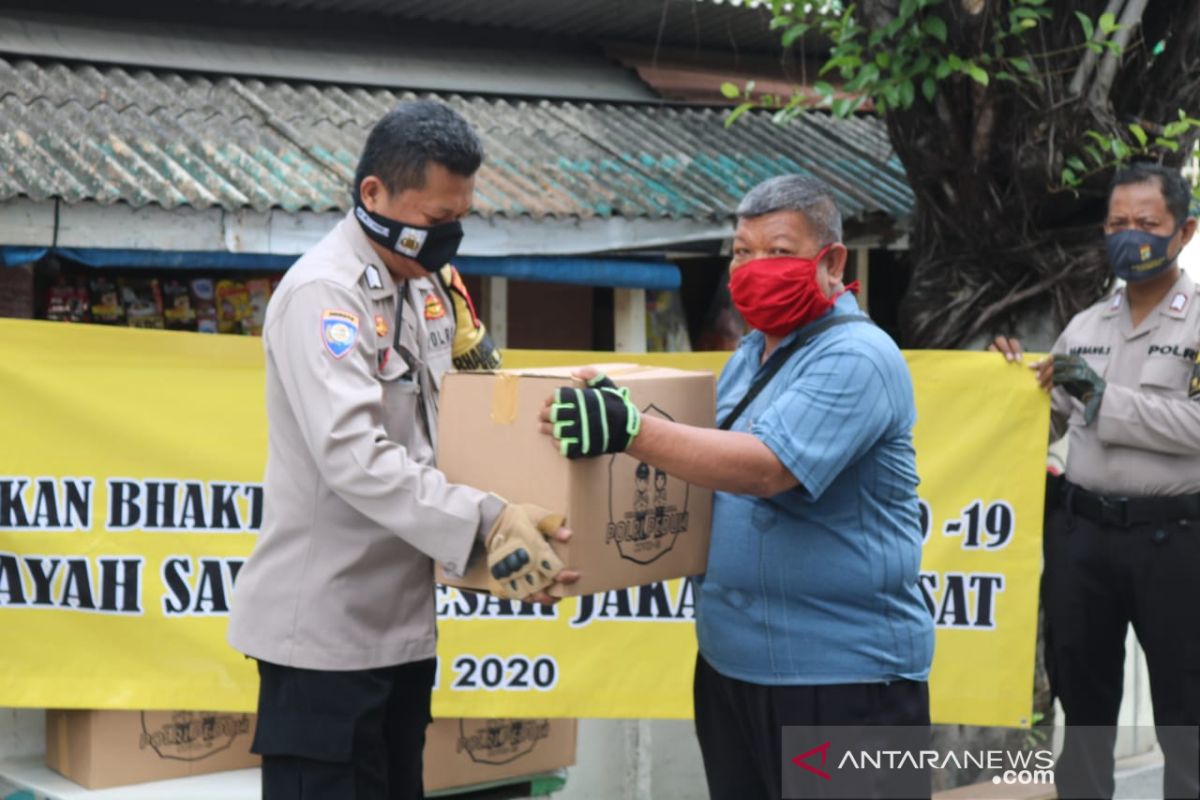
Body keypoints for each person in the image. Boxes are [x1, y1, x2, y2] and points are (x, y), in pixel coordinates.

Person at [539, 175, 935, 800]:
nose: (753, 268)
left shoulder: (859, 356)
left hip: (845, 682)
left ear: (830, 261)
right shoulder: (752, 354)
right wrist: (574, 555)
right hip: (732, 667)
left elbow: (763, 469)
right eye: (742, 252)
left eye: (778, 252)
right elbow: (696, 483)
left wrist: (631, 430)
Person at [227, 100, 576, 800]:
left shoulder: (422, 289)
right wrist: (487, 518)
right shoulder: (327, 296)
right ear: (374, 195)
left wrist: (507, 548)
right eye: (436, 220)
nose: (450, 237)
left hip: (403, 630)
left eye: (460, 218)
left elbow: (451, 435)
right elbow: (356, 457)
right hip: (324, 643)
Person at [991, 163, 1199, 799]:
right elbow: (1048, 417)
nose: (1128, 235)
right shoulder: (1085, 326)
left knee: (1184, 707)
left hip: (1177, 541)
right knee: (1081, 704)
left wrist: (1099, 397)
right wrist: (1004, 382)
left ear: (1185, 231)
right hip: (1082, 537)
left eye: (1146, 223)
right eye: (1116, 224)